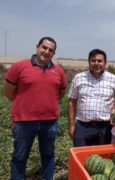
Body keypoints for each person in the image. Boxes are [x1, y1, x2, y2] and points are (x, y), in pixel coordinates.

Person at [3, 37, 67, 180]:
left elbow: (61, 93)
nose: (47, 51)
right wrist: (24, 104)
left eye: (51, 50)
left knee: (48, 155)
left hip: (49, 122)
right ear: (37, 47)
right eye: (44, 47)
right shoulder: (19, 67)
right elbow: (8, 92)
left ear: (53, 53)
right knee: (20, 157)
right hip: (24, 121)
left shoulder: (59, 71)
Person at [67, 49, 115, 147]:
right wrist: (71, 125)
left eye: (100, 61)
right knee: (81, 157)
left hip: (105, 127)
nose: (96, 63)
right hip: (83, 125)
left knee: (104, 159)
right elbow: (72, 102)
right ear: (89, 62)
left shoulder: (114, 80)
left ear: (105, 63)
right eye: (93, 60)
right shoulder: (78, 78)